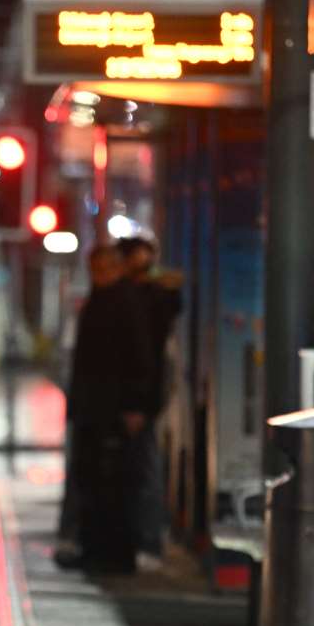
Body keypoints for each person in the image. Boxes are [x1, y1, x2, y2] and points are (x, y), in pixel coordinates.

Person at [65, 245, 155, 572]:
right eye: (95, 269)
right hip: (95, 408)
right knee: (93, 479)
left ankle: (113, 553)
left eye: (105, 269)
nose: (99, 275)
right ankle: (95, 549)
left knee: (113, 482)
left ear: (116, 268)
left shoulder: (124, 302)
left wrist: (134, 405)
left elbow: (137, 357)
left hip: (112, 409)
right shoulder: (102, 300)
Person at [118, 236, 183, 571]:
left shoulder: (149, 299)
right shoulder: (131, 296)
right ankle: (138, 541)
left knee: (144, 471)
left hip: (140, 403)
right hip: (138, 400)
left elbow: (141, 356)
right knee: (136, 471)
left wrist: (137, 405)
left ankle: (147, 542)